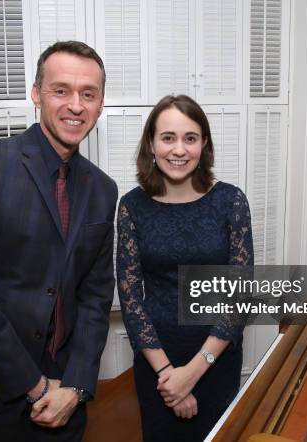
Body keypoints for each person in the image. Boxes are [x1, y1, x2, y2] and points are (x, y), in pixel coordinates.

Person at [0, 41, 117, 442]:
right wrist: (36, 386)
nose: (76, 105)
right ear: (35, 94)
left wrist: (76, 385)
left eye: (89, 93)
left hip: (67, 388)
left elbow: (96, 296)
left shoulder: (103, 189)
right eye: (60, 90)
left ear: (101, 103)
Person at [116, 95, 253, 441]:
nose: (179, 149)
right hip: (156, 364)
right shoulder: (131, 207)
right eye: (168, 138)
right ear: (151, 143)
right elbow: (131, 302)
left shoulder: (230, 201)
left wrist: (193, 372)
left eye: (190, 138)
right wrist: (169, 376)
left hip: (216, 360)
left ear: (204, 143)